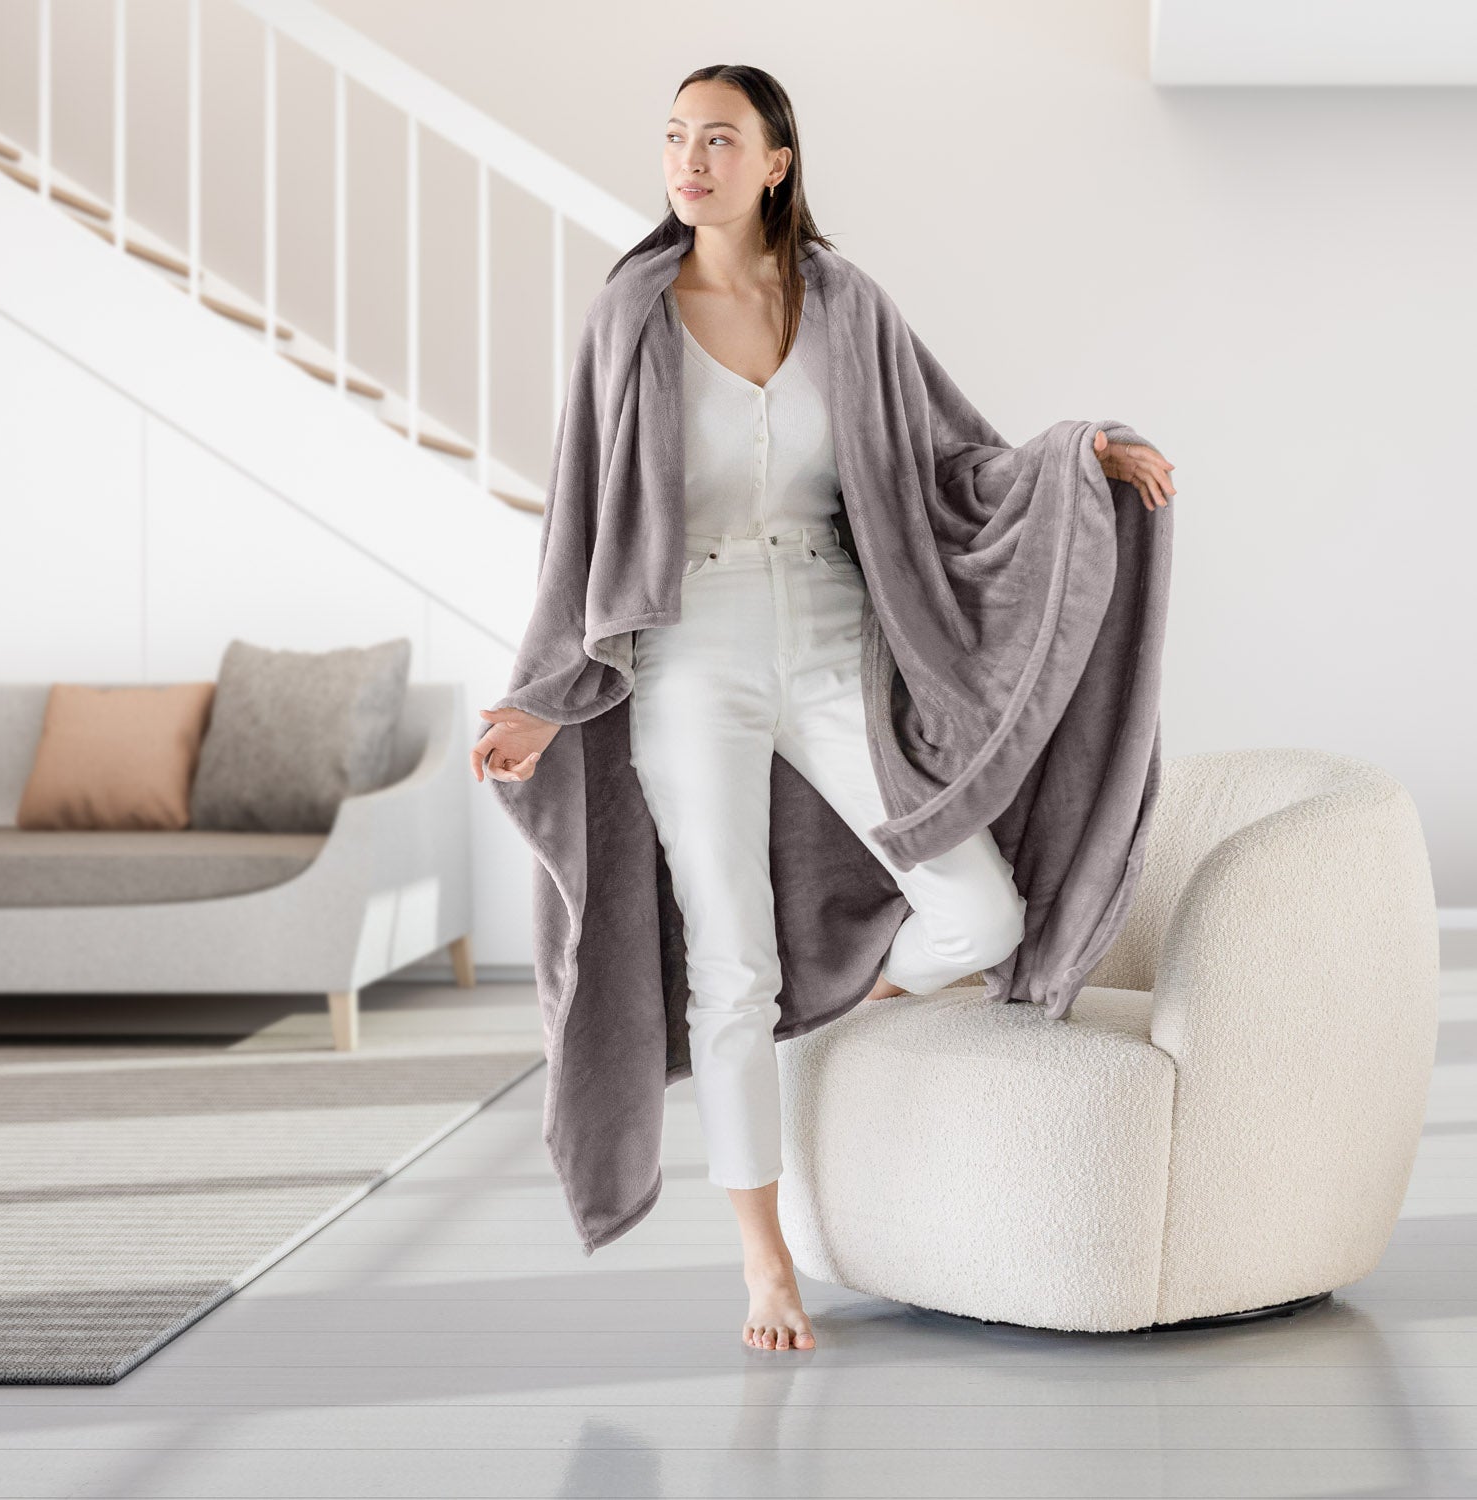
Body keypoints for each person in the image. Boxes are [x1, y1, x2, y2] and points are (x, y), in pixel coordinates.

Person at [472, 65, 1177, 1355]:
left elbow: (953, 459)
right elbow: (577, 521)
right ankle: (763, 1263)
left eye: (719, 139)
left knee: (979, 911)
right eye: (676, 137)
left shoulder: (846, 306)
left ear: (778, 161)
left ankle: (849, 999)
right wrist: (540, 695)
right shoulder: (628, 312)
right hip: (686, 655)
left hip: (840, 641)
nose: (689, 160)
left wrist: (1077, 455)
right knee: (728, 969)